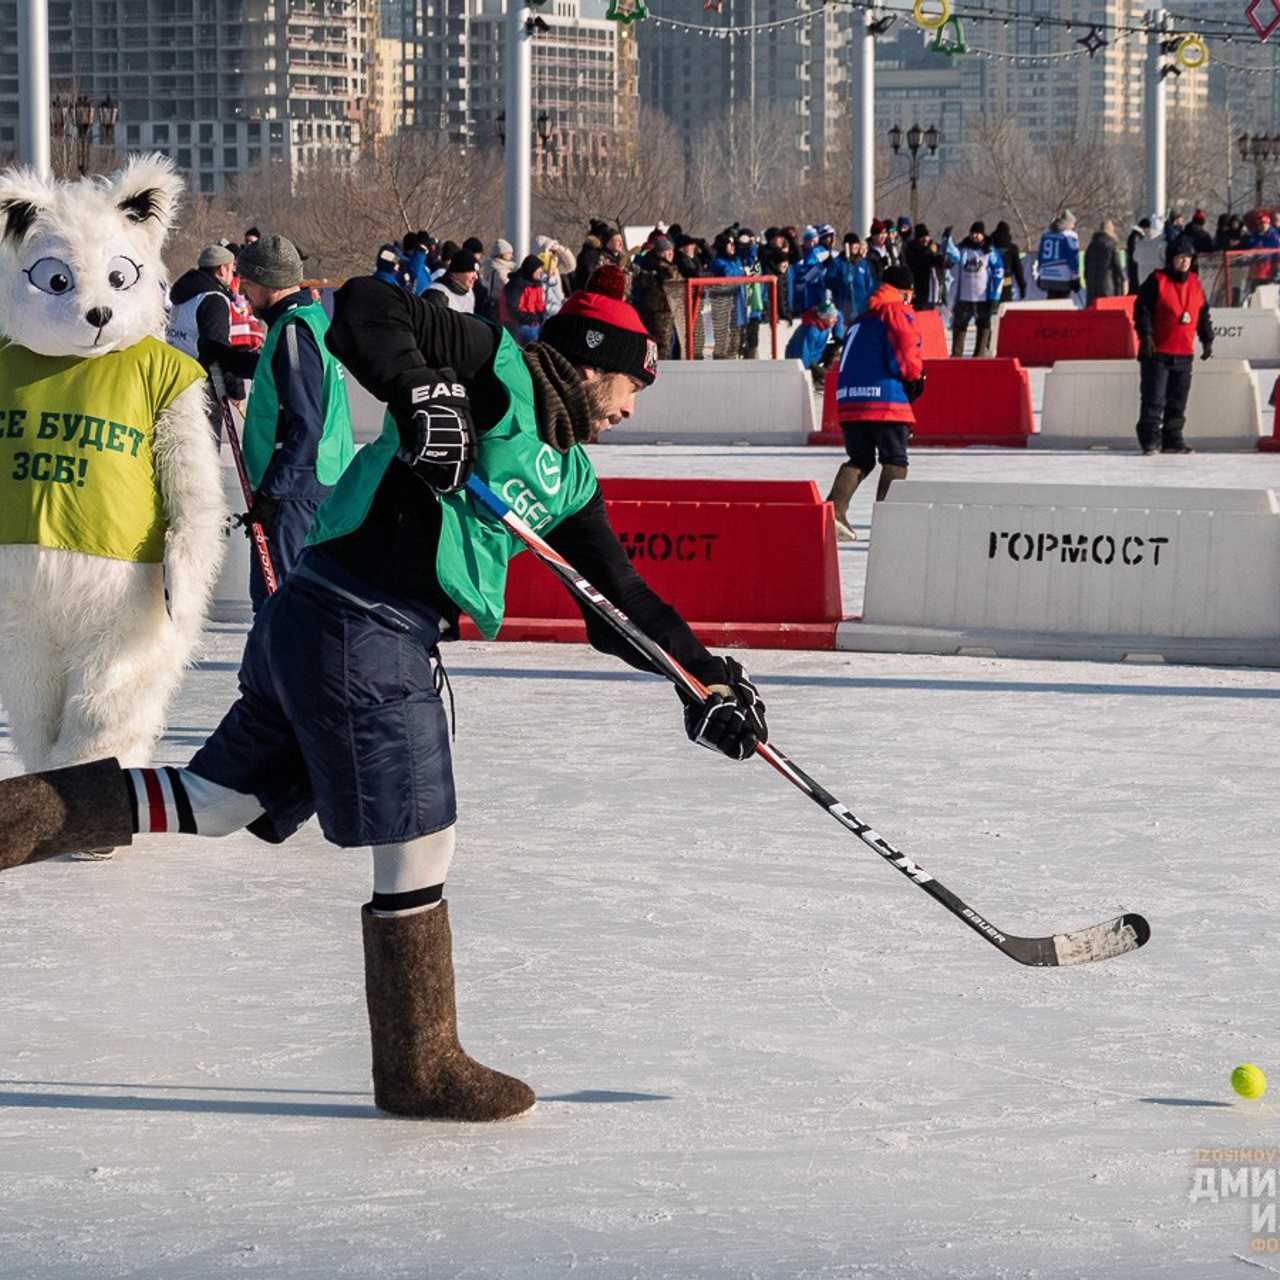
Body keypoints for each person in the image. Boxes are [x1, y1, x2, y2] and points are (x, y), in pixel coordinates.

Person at [0, 263, 768, 1126]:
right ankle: (419, 1065)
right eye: (632, 384)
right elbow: (365, 305)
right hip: (358, 625)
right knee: (422, 837)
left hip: (322, 624)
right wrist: (423, 395)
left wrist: (702, 678)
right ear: (592, 364)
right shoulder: (492, 365)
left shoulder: (570, 478)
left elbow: (618, 601)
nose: (631, 408)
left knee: (215, 802)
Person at [208, 234, 356, 609]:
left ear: (266, 282)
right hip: (315, 478)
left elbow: (306, 424)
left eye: (246, 283)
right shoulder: (309, 318)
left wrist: (272, 494)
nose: (242, 293)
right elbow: (284, 372)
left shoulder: (293, 331)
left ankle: (278, 649)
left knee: (279, 601)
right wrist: (233, 360)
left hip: (296, 487)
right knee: (298, 597)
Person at [826, 264, 925, 540]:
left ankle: (834, 511)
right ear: (905, 292)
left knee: (860, 459)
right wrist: (916, 377)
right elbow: (906, 344)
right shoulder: (896, 309)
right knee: (895, 459)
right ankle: (887, 523)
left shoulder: (860, 318)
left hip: (849, 400)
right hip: (884, 400)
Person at [1132, 236, 1213, 456]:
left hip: (1184, 353)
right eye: (1179, 257)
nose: (1184, 261)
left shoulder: (1195, 283)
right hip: (1157, 353)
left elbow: (1202, 313)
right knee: (1154, 399)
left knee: (1177, 402)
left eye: (1188, 257)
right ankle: (1150, 439)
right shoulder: (1156, 280)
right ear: (1170, 259)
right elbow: (1142, 310)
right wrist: (1146, 336)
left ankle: (1173, 438)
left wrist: (1207, 338)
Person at [165, 243, 250, 433]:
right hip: (200, 382)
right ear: (222, 269)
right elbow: (217, 347)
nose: (233, 275)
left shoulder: (186, 292)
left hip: (174, 375)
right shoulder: (213, 298)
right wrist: (234, 388)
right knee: (205, 442)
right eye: (231, 269)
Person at [943, 221, 1003, 358]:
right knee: (959, 326)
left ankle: (979, 355)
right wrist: (947, 240)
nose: (974, 236)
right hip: (964, 297)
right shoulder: (964, 248)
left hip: (983, 297)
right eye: (972, 233)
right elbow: (953, 255)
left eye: (978, 233)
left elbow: (999, 271)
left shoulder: (989, 250)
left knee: (983, 325)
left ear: (983, 235)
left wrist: (995, 296)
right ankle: (956, 355)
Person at [784, 293, 843, 387]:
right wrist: (804, 376)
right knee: (826, 375)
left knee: (836, 347)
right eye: (832, 318)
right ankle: (820, 378)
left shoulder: (825, 323)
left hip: (816, 355)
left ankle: (825, 375)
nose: (835, 320)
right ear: (824, 317)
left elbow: (839, 318)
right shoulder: (811, 331)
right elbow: (802, 354)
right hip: (800, 359)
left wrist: (837, 336)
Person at [500, 254, 547, 345]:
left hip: (532, 322)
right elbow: (512, 310)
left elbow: (539, 305)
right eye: (539, 268)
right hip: (516, 324)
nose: (541, 271)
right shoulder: (517, 284)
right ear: (532, 269)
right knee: (532, 339)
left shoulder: (536, 284)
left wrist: (541, 315)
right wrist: (530, 318)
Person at [902, 223, 948, 312]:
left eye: (927, 236)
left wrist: (937, 254)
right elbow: (919, 263)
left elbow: (944, 263)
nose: (925, 239)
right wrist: (931, 253)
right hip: (920, 288)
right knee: (920, 311)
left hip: (935, 289)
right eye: (922, 237)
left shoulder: (934, 247)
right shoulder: (912, 250)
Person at [1036, 211, 1080, 300]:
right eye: (1073, 224)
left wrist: (1040, 272)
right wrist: (1075, 276)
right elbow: (1073, 257)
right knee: (1063, 303)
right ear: (1069, 223)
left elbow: (1040, 255)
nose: (1074, 227)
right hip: (1063, 277)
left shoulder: (1046, 234)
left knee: (1051, 302)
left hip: (1047, 275)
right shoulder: (1070, 235)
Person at [1083, 219, 1125, 304]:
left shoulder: (1091, 246)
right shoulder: (1112, 245)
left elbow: (1086, 266)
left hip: (1092, 286)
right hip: (1107, 286)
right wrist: (1123, 279)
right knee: (1108, 308)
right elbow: (1117, 266)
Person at [425, 250, 479, 314]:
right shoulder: (437, 295)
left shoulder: (469, 293)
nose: (476, 277)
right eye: (470, 272)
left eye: (475, 272)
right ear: (455, 274)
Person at [989, 221, 1026, 304]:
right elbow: (1018, 270)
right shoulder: (1012, 248)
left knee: (991, 309)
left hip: (992, 284)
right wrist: (1022, 287)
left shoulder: (990, 247)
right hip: (1006, 284)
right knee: (1005, 308)